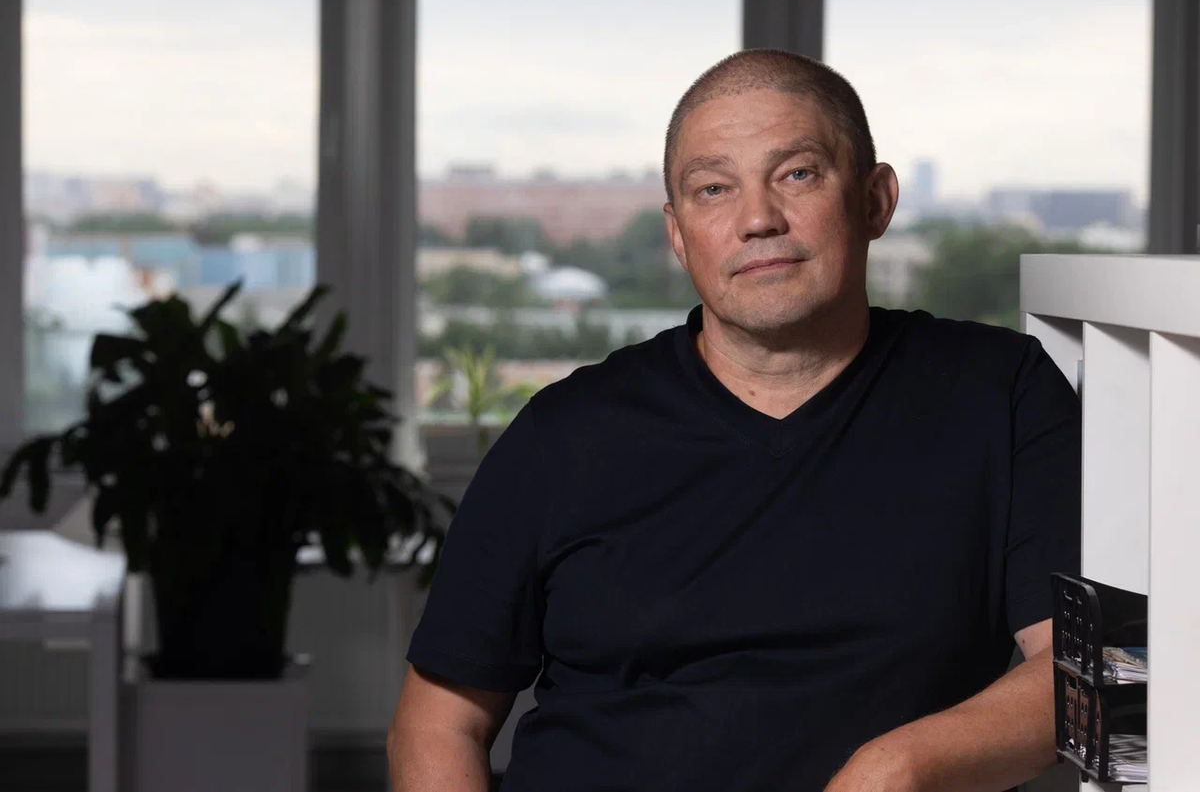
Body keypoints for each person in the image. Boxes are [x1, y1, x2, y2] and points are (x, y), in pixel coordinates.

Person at [387, 48, 1081, 792]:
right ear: (678, 233)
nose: (757, 219)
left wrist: (899, 768)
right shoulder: (563, 435)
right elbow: (437, 724)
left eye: (798, 174)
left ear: (875, 200)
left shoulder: (998, 393)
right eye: (713, 189)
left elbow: (1086, 669)